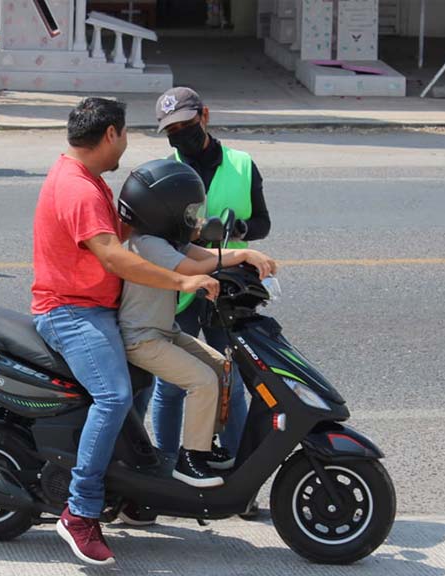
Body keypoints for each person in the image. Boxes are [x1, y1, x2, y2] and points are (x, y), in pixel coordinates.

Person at [31, 97, 218, 566]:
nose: (127, 143)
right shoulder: (78, 189)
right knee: (114, 396)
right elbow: (114, 257)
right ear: (111, 133)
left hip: (95, 308)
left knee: (141, 381)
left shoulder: (88, 180)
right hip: (71, 312)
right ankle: (80, 512)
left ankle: (130, 488)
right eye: (127, 133)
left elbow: (148, 240)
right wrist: (182, 281)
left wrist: (218, 251)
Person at [135, 88, 272, 487]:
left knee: (230, 380)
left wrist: (240, 229)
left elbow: (263, 223)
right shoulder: (166, 170)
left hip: (228, 290)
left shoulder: (243, 165)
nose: (180, 136)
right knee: (173, 384)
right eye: (171, 131)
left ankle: (237, 470)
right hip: (182, 293)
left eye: (186, 125)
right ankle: (167, 465)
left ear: (205, 117)